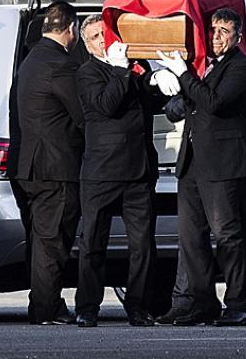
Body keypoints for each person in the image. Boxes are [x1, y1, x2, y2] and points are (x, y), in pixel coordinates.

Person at [73, 18, 180, 327]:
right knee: (93, 242)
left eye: (104, 34)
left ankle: (139, 305)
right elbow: (107, 105)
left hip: (138, 169)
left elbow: (149, 94)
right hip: (102, 171)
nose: (102, 40)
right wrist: (121, 69)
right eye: (95, 37)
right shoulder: (87, 72)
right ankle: (87, 306)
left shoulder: (132, 65)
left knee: (142, 244)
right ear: (88, 45)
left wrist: (157, 77)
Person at [158, 8, 246, 327]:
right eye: (212, 30)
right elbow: (184, 106)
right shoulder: (203, 65)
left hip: (222, 164)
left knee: (227, 235)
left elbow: (215, 102)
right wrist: (174, 79)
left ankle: (237, 303)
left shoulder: (241, 67)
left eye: (224, 31)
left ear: (238, 37)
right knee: (191, 237)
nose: (216, 36)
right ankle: (202, 302)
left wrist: (185, 75)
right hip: (192, 162)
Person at [15, 1, 84, 325]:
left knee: (43, 238)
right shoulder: (61, 64)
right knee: (53, 241)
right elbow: (82, 114)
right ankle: (47, 306)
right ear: (71, 29)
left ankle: (42, 303)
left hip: (33, 164)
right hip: (56, 166)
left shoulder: (31, 59)